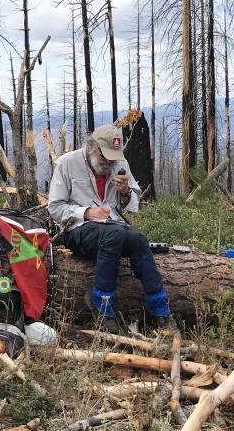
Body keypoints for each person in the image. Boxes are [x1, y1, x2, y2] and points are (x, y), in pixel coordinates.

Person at [48, 124, 174, 333]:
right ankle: (101, 305)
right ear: (91, 147)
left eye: (113, 156)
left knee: (138, 239)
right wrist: (86, 212)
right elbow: (55, 208)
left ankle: (161, 311)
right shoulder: (66, 163)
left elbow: (131, 202)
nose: (109, 161)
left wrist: (125, 192)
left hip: (113, 226)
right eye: (105, 155)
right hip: (76, 229)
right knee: (115, 235)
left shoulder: (119, 162)